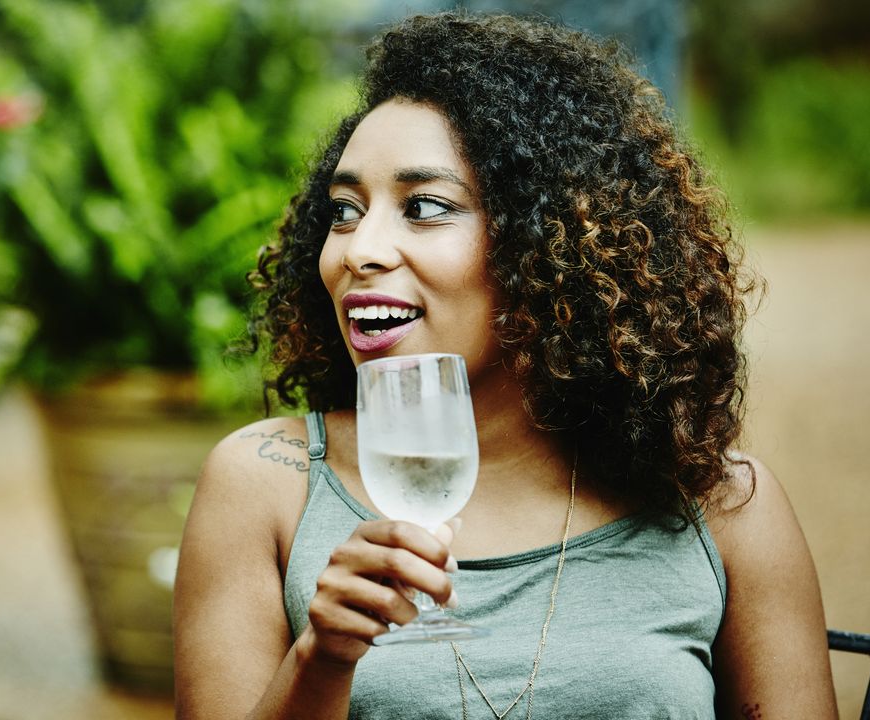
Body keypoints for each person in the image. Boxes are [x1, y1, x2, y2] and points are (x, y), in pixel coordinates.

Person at [173, 12, 836, 720]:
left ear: (549, 240)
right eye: (343, 210)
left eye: (424, 207)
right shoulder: (264, 487)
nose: (357, 249)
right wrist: (323, 655)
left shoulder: (722, 505)